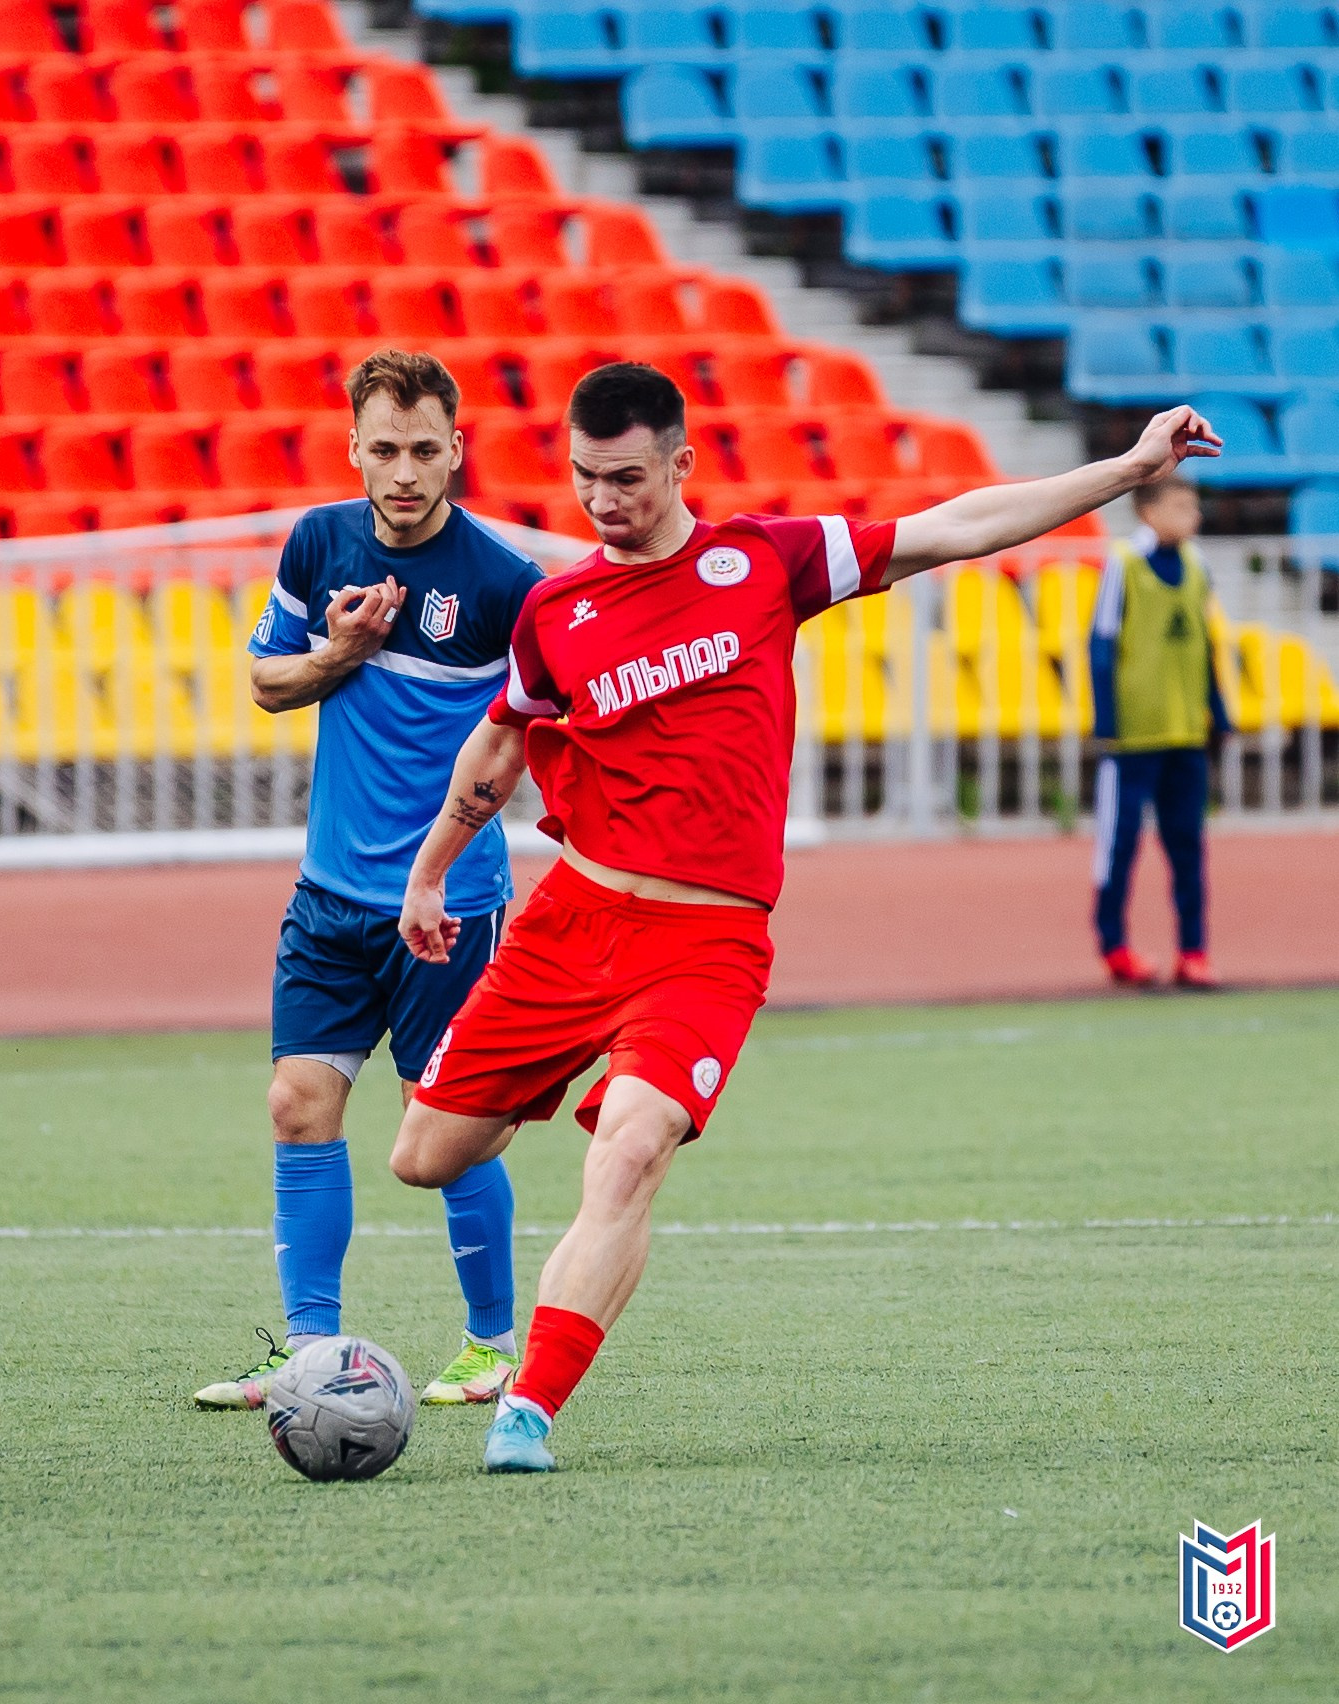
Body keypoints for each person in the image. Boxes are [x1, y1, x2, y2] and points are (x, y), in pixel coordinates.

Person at [387, 363, 1220, 1473]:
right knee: (424, 1156)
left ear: (681, 464)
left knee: (632, 1151)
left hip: (705, 946)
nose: (604, 500)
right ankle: (534, 1093)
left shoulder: (765, 562)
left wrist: (1124, 471)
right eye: (586, 479)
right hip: (572, 924)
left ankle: (529, 1407)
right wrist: (431, 872)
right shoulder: (556, 610)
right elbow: (500, 743)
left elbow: (955, 527)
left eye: (628, 477)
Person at [194, 349, 544, 1413]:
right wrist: (340, 651)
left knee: (447, 1130)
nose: (403, 471)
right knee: (298, 1106)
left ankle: (490, 1344)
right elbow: (264, 682)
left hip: (447, 908)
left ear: (457, 451)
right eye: (383, 449)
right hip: (328, 894)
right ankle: (312, 1355)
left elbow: (530, 736)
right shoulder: (318, 542)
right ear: (353, 447)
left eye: (424, 449)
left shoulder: (502, 585)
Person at [1089, 475, 1229, 989]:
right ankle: (1114, 946)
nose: (1192, 515)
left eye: (1195, 505)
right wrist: (1107, 723)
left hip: (1184, 734)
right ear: (1148, 513)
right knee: (1119, 845)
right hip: (1132, 738)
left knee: (1188, 846)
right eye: (1181, 505)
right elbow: (1101, 643)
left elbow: (1204, 642)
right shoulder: (1122, 565)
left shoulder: (1198, 566)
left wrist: (1218, 712)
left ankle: (1193, 951)